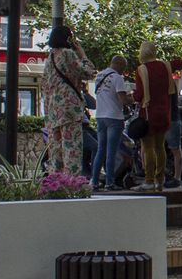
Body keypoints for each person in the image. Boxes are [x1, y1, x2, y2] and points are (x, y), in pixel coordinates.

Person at [42, 24, 96, 174]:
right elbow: (89, 72)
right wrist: (82, 54)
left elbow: (45, 85)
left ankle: (55, 183)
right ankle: (72, 184)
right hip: (70, 108)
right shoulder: (68, 54)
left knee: (56, 151)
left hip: (53, 111)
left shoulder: (50, 57)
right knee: (71, 148)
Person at [132, 41, 175, 193]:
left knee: (148, 148)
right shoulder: (165, 66)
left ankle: (149, 180)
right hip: (164, 112)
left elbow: (139, 95)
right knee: (160, 147)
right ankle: (160, 179)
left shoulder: (142, 69)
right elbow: (178, 63)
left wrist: (132, 96)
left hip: (149, 112)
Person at [90, 56, 132, 191]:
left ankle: (94, 182)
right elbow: (123, 100)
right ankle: (109, 183)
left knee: (101, 150)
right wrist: (132, 98)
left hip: (100, 116)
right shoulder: (117, 78)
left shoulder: (99, 76)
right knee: (111, 151)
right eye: (123, 67)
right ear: (119, 64)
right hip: (114, 117)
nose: (123, 70)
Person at [165, 57, 182, 188]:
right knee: (175, 149)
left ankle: (175, 177)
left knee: (172, 149)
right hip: (174, 118)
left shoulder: (166, 82)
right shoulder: (172, 82)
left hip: (169, 119)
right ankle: (176, 177)